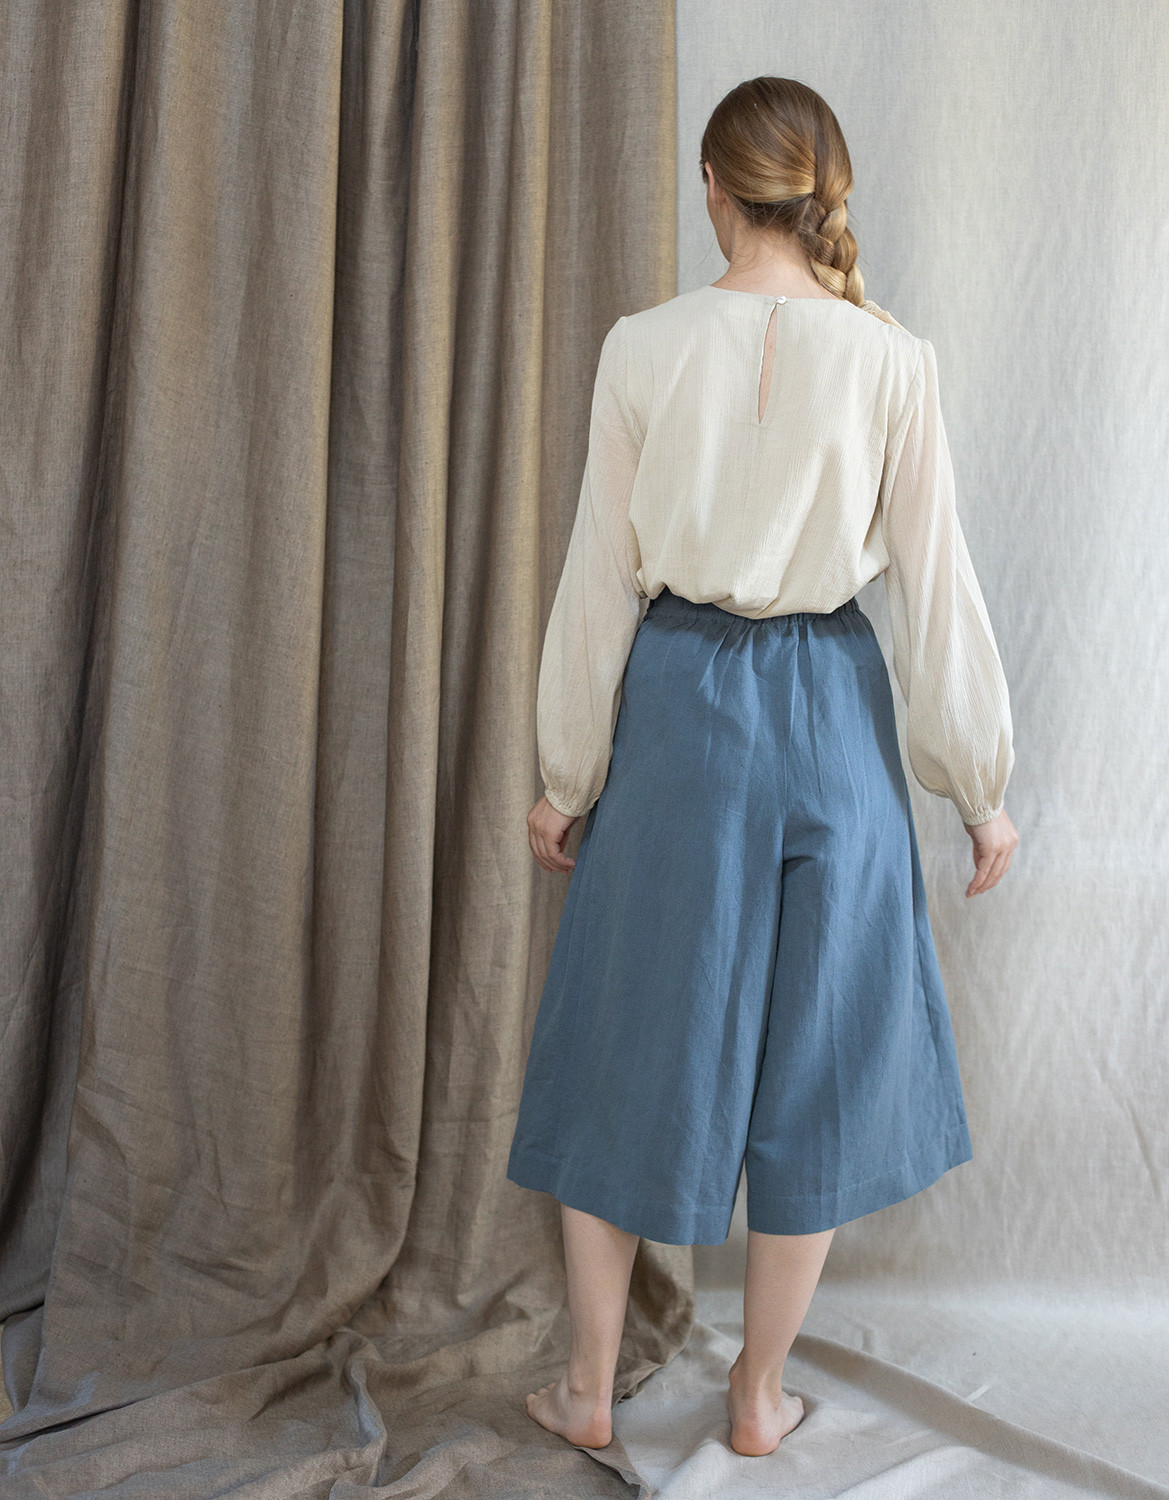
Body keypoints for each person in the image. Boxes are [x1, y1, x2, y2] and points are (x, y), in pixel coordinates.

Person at [507, 76, 1019, 1460]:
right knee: (824, 1061)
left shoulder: (642, 347)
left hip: (682, 712)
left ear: (713, 189)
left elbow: (598, 577)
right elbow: (935, 587)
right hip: (834, 713)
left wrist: (565, 775)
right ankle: (756, 1395)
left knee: (625, 1045)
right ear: (821, 196)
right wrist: (979, 790)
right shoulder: (894, 358)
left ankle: (588, 1389)